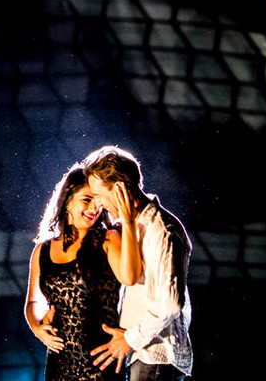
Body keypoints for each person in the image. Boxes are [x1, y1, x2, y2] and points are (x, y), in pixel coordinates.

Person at [25, 161, 142, 381]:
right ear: (67, 200)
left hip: (100, 361)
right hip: (59, 363)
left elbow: (130, 277)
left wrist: (127, 222)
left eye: (98, 202)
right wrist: (37, 328)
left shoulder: (109, 239)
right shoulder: (42, 251)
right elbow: (33, 303)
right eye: (87, 200)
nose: (94, 209)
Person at [83, 146, 193, 380]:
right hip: (142, 355)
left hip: (155, 356)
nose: (99, 204)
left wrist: (129, 339)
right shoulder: (136, 227)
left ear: (120, 188)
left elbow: (171, 303)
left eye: (100, 194)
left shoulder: (162, 230)